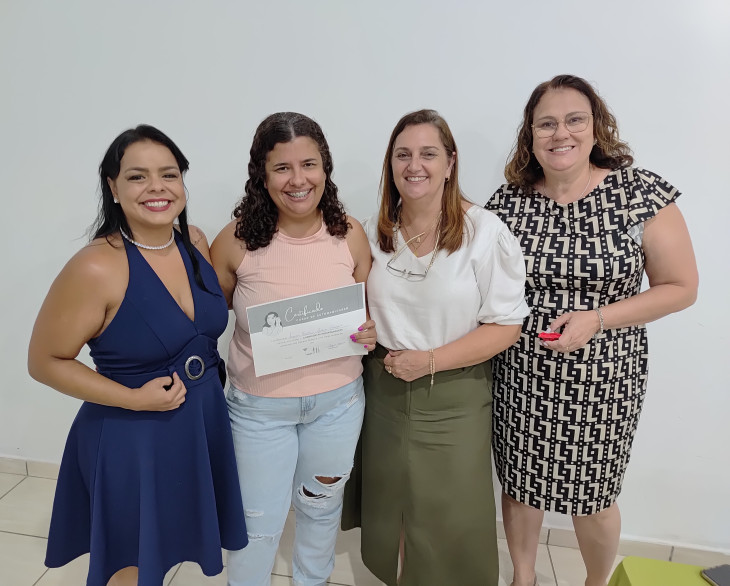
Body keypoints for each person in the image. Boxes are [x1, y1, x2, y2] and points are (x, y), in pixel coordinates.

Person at [486, 74, 698, 586]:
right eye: (546, 124)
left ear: (597, 126)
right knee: (520, 484)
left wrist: (597, 318)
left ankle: (595, 582)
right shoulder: (509, 202)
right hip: (522, 370)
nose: (561, 133)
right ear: (530, 135)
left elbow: (681, 287)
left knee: (595, 497)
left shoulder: (639, 193)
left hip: (605, 376)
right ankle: (523, 577)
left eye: (574, 120)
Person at [27, 125, 247, 585]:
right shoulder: (95, 266)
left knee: (170, 548)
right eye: (137, 176)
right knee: (133, 565)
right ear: (113, 187)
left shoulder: (195, 243)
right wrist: (133, 399)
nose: (156, 188)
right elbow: (44, 361)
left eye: (169, 174)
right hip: (131, 436)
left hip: (199, 423)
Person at [344, 109, 530, 586]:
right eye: (402, 155)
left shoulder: (485, 233)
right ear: (390, 164)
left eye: (428, 154)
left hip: (454, 394)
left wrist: (429, 361)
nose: (414, 165)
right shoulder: (373, 232)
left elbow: (506, 325)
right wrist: (363, 330)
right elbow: (358, 306)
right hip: (383, 391)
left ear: (450, 163)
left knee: (449, 512)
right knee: (391, 506)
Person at [210, 112, 376, 586]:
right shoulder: (234, 241)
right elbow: (209, 318)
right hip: (259, 411)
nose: (298, 180)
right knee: (257, 525)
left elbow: (368, 311)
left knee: (321, 509)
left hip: (338, 405)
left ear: (325, 168)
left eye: (309, 164)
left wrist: (370, 331)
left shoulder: (349, 233)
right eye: (282, 167)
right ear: (262, 175)